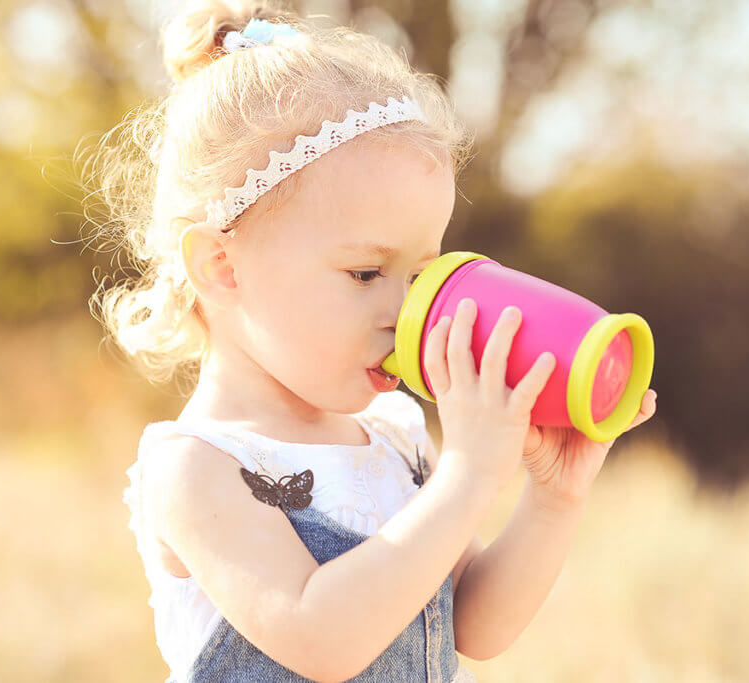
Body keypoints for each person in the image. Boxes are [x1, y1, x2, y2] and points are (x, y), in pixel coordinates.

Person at [82, 2, 659, 681]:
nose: (406, 307)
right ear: (223, 267)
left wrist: (553, 498)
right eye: (365, 273)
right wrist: (468, 476)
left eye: (421, 273)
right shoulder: (198, 468)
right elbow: (321, 636)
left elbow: (471, 623)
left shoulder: (394, 437)